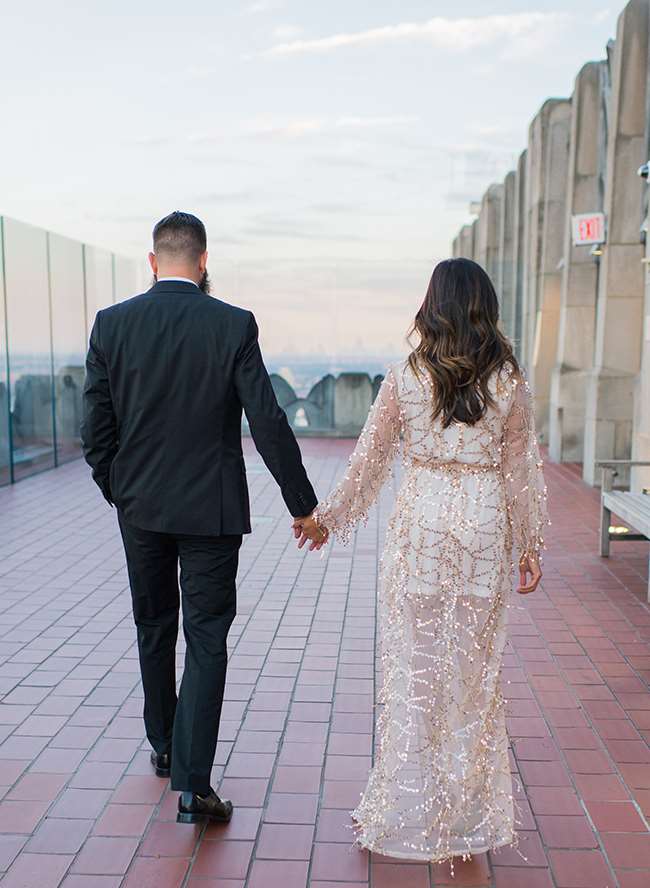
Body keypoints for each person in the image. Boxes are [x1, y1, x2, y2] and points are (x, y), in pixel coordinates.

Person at [295, 258, 548, 863]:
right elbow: (520, 468)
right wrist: (530, 544)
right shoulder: (508, 380)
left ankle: (409, 808)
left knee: (414, 674)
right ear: (485, 307)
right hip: (484, 527)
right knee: (472, 678)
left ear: (431, 305)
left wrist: (326, 518)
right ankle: (465, 817)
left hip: (423, 531)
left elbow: (370, 461)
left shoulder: (406, 377)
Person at [81, 211, 318, 825]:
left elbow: (94, 432)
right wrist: (303, 505)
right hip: (211, 513)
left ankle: (163, 742)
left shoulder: (113, 325)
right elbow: (267, 421)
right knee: (207, 636)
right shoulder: (232, 324)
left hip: (142, 510)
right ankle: (193, 784)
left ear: (154, 262)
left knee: (154, 625)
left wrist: (121, 491)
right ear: (204, 262)